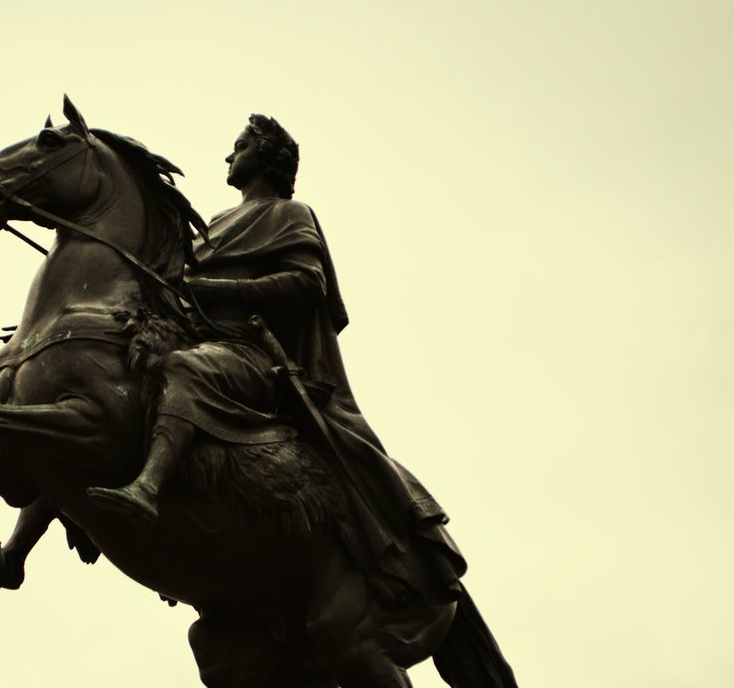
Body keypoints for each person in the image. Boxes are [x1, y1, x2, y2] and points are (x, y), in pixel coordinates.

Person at [88, 115, 464, 604]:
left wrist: (217, 287)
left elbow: (309, 284)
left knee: (185, 369)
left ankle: (149, 487)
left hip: (247, 355)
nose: (228, 156)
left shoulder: (290, 214)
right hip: (199, 339)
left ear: (266, 158)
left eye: (239, 146)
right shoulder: (215, 223)